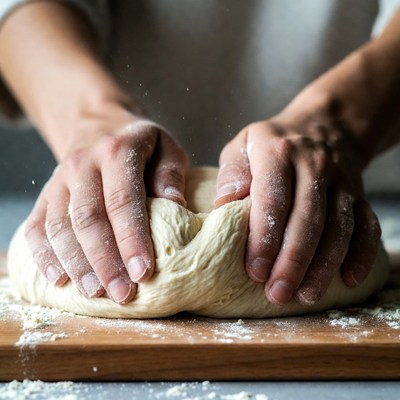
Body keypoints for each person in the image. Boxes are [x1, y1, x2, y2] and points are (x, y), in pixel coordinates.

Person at [0, 0, 399, 307]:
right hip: (106, 183)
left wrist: (339, 120)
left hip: (345, 196)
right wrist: (88, 115)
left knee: (319, 228)